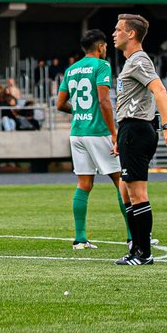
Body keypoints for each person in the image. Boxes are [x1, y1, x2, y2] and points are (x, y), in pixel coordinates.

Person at [111, 13, 167, 266]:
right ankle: (135, 248)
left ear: (131, 34)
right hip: (130, 129)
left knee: (137, 194)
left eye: (118, 29)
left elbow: (159, 90)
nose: (114, 34)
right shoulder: (132, 62)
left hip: (137, 129)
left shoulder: (139, 60)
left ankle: (144, 253)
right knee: (125, 190)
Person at [56, 29, 127, 250]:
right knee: (121, 180)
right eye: (105, 46)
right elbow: (104, 101)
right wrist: (114, 132)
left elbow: (60, 104)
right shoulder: (102, 65)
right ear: (100, 46)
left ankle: (80, 239)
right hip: (98, 132)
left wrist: (79, 111)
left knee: (84, 184)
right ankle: (133, 236)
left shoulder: (71, 69)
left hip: (77, 133)